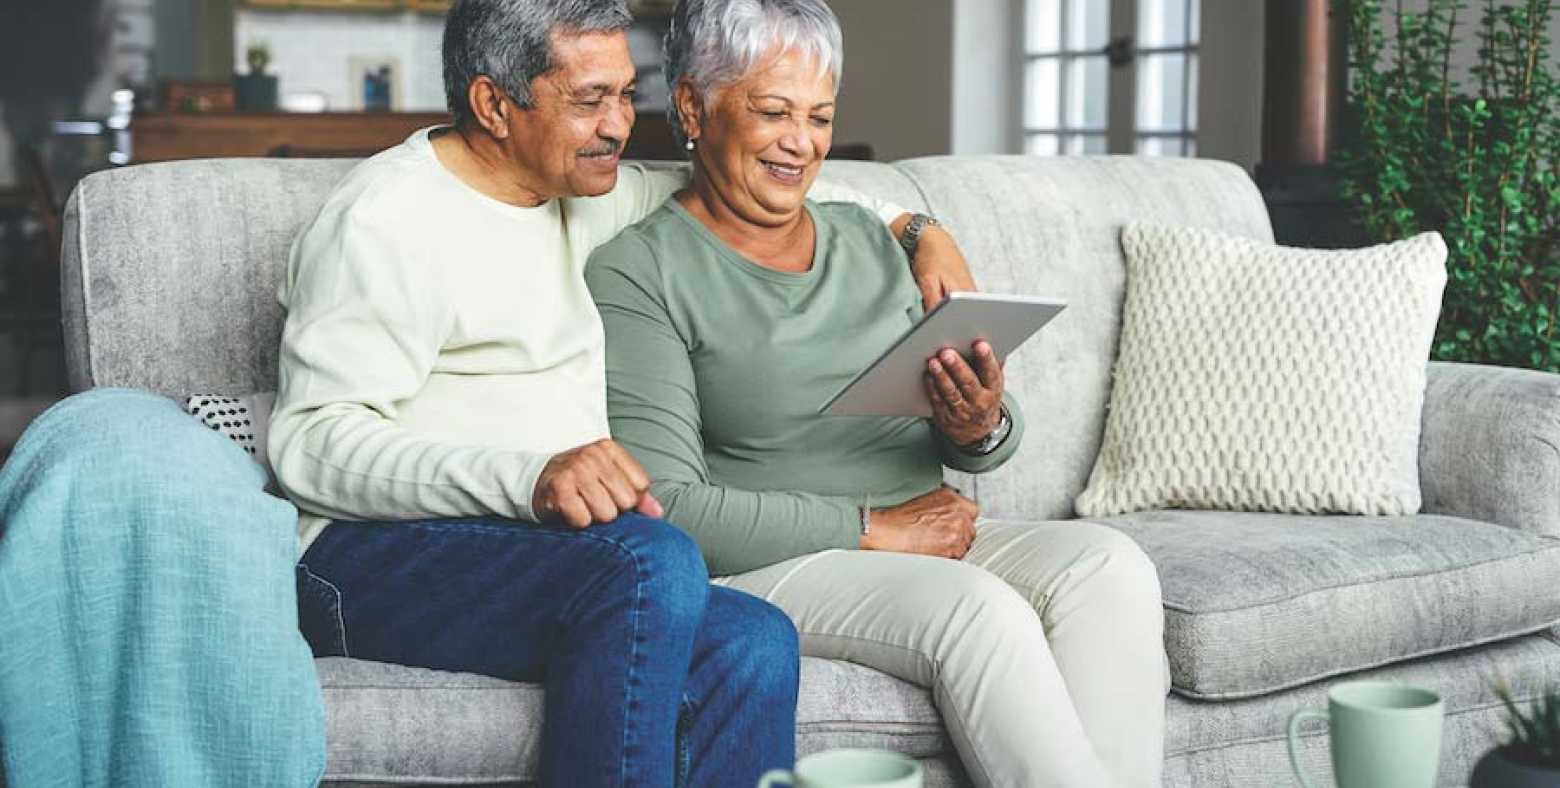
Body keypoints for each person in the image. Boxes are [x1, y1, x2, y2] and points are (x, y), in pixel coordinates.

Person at [0, 0, 975, 785]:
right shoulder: (386, 222)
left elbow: (770, 186)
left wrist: (911, 227)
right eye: (589, 99)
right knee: (649, 557)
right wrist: (530, 477)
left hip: (545, 548)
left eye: (625, 95)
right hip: (360, 552)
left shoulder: (599, 192)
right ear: (496, 102)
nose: (618, 127)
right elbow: (312, 442)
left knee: (755, 637)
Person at [584, 1, 1171, 786]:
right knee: (977, 611)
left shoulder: (872, 239)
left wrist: (979, 421)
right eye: (773, 112)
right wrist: (874, 530)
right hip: (775, 561)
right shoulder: (641, 272)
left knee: (1109, 565)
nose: (803, 142)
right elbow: (671, 507)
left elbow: (979, 440)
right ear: (693, 106)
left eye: (820, 116)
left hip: (923, 529)